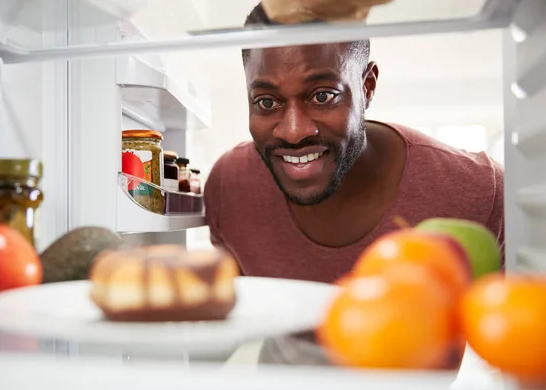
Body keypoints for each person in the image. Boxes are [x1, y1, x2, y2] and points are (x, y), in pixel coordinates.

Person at [204, 3, 504, 283]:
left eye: (323, 96)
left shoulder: (479, 190)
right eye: (266, 101)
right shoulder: (227, 188)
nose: (294, 132)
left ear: (367, 87)